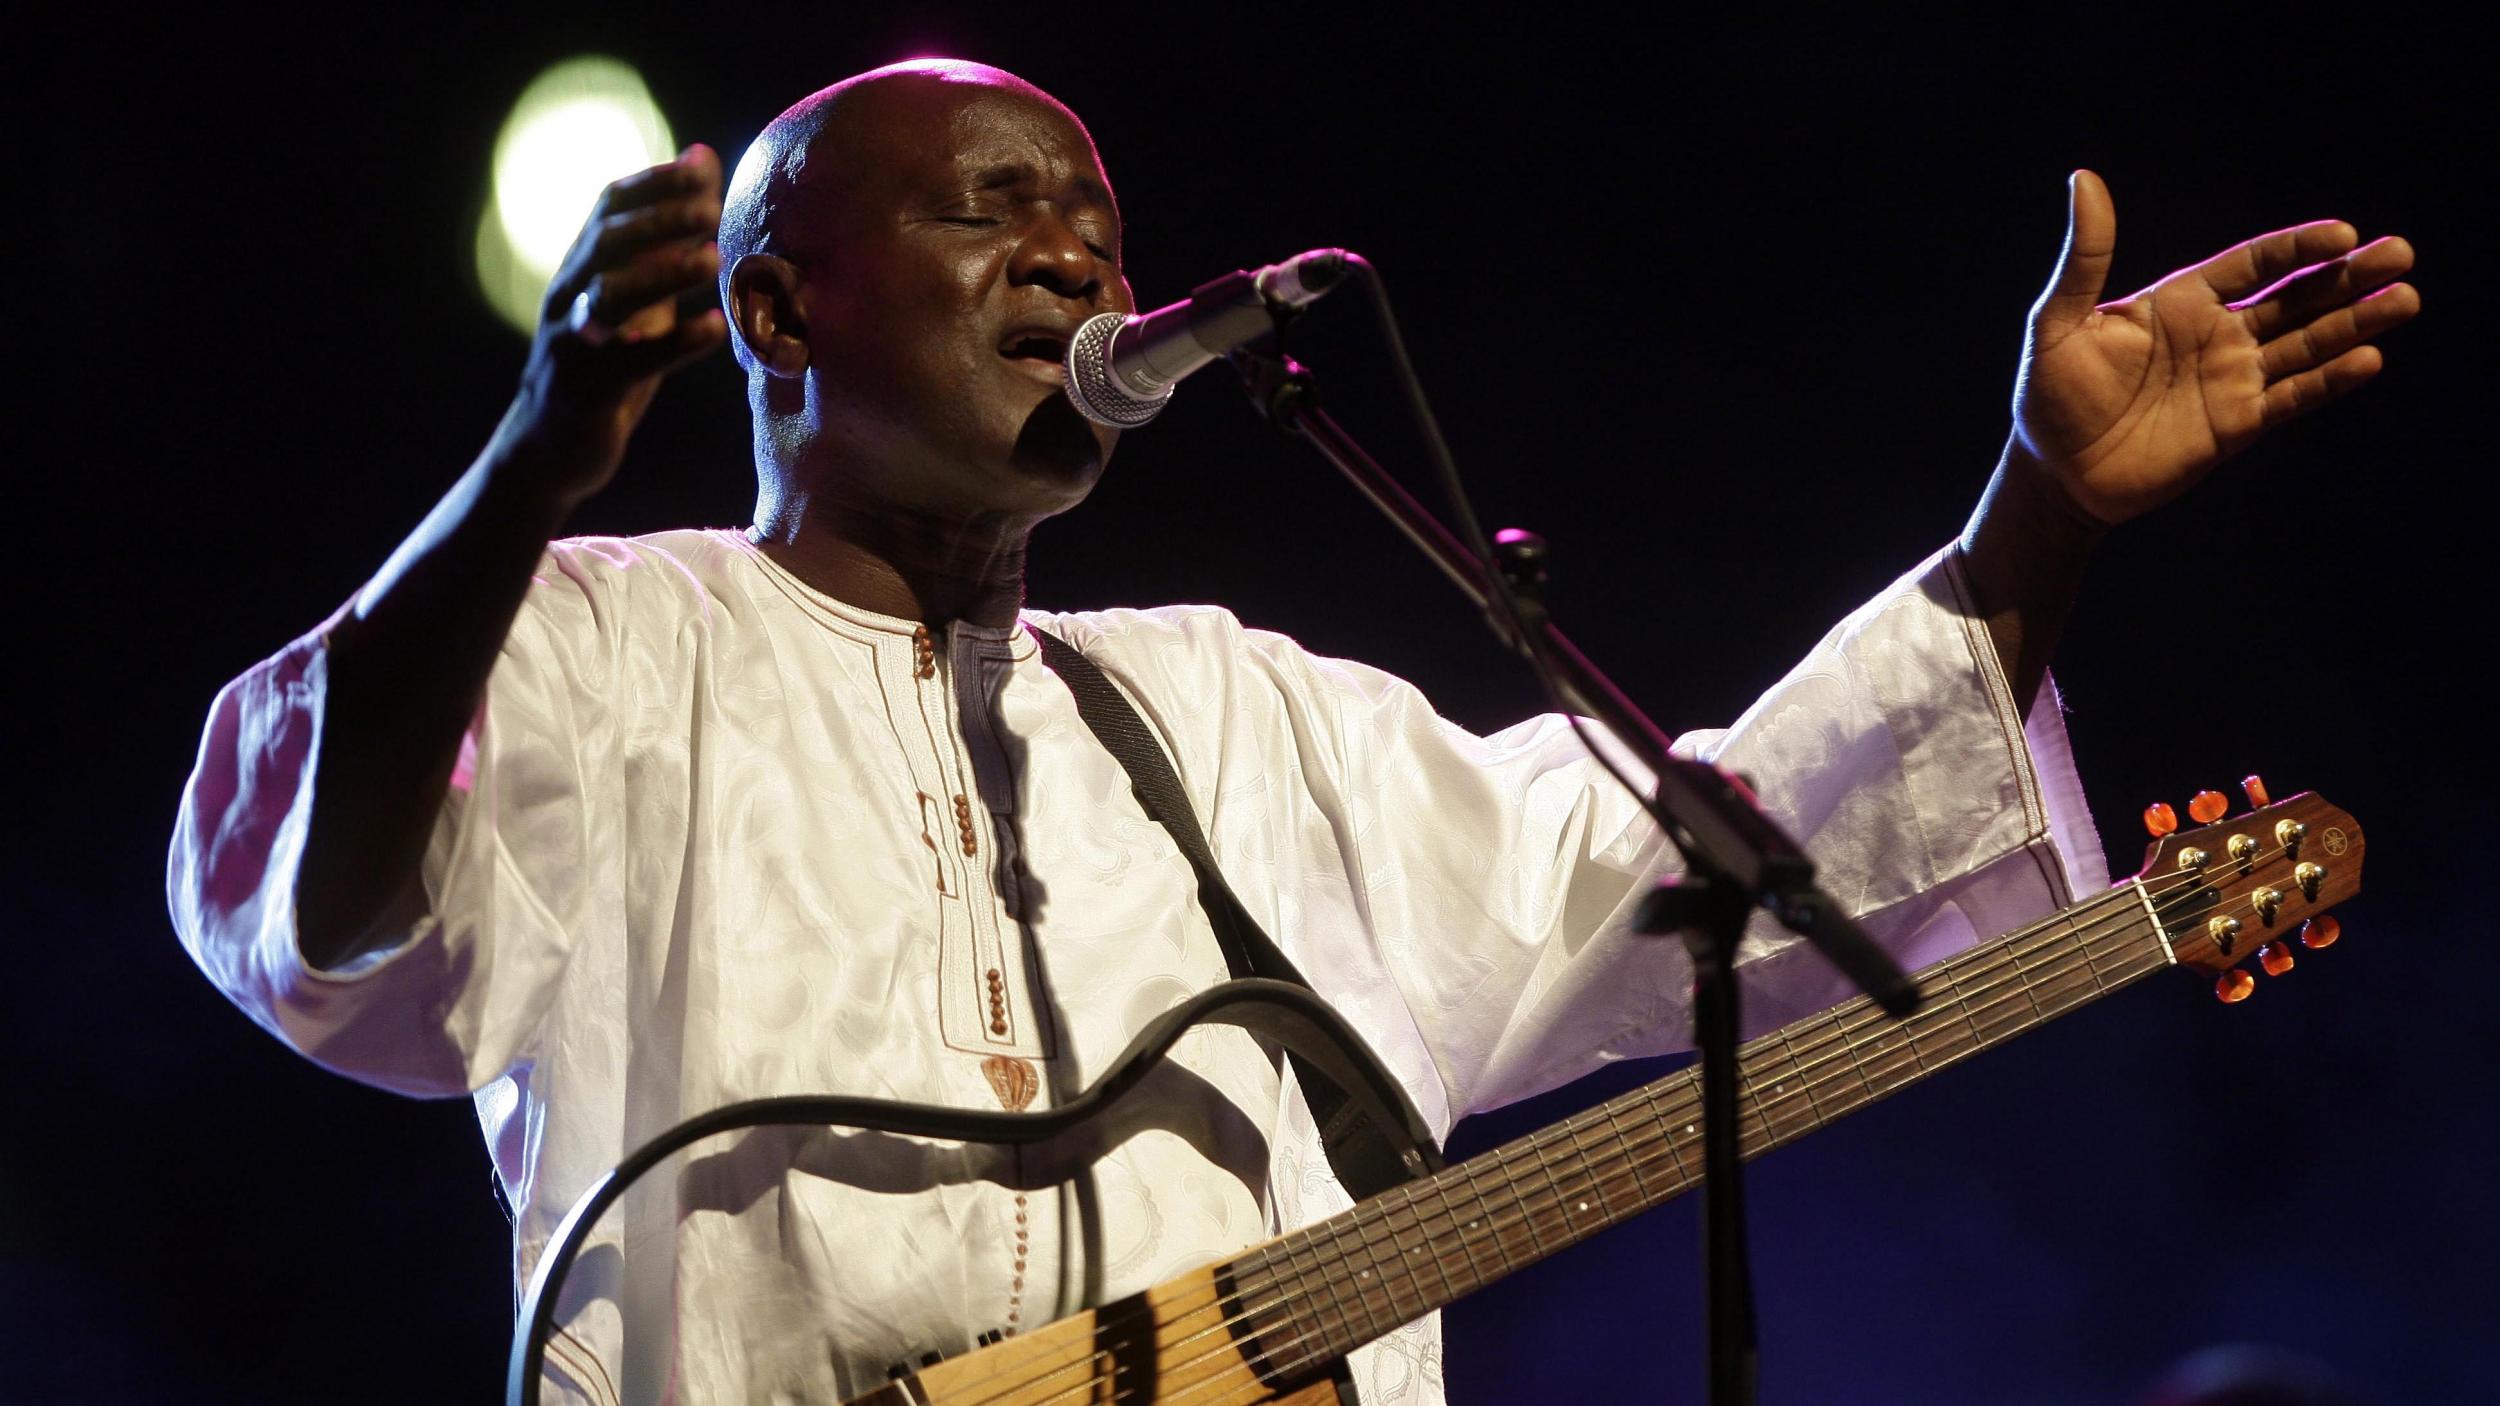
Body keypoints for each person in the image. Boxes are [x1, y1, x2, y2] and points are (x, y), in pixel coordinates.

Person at [166, 58, 2418, 1406]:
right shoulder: (595, 639)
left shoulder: (1232, 708)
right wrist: (535, 466)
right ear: (776, 304)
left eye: (1097, 226)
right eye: (990, 214)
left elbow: (1696, 862)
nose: (1072, 264)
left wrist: (2029, 518)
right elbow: (322, 900)